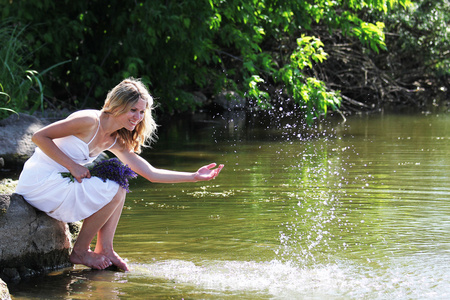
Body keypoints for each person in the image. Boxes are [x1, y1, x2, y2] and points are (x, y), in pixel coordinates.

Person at [15, 78, 224, 272]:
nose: (138, 117)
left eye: (142, 112)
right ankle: (79, 251)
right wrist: (73, 166)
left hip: (60, 185)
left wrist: (193, 176)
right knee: (114, 185)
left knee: (120, 183)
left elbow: (149, 173)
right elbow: (39, 137)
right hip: (40, 183)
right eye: (133, 110)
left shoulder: (115, 139)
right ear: (117, 105)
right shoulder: (88, 120)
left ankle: (105, 248)